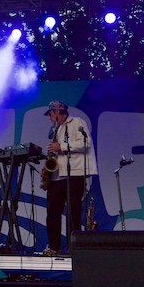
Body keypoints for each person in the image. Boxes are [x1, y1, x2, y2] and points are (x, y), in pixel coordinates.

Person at [42, 100, 97, 256]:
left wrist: (62, 146)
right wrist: (46, 167)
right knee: (52, 212)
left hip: (74, 174)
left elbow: (85, 143)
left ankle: (74, 248)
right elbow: (55, 154)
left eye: (50, 114)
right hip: (57, 176)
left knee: (73, 212)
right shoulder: (56, 129)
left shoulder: (77, 122)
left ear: (58, 111)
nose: (50, 118)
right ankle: (54, 247)